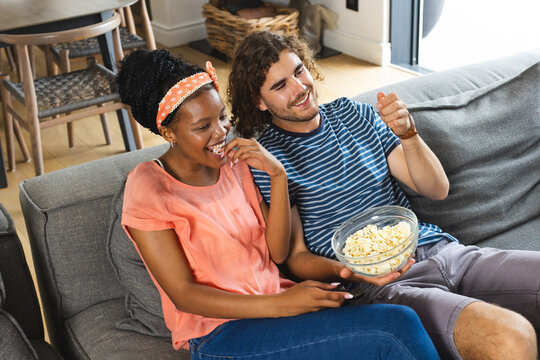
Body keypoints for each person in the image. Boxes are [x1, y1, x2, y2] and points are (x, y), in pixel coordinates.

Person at [228, 31, 539, 360]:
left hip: (443, 252)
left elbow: (436, 188)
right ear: (259, 102)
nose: (299, 87)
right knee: (510, 339)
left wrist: (409, 134)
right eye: (279, 86)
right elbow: (294, 258)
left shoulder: (355, 115)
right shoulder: (268, 159)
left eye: (299, 71)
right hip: (381, 289)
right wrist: (347, 272)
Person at [115, 49, 439, 360]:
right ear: (168, 132)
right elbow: (183, 294)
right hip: (222, 333)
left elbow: (278, 252)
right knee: (396, 326)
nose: (220, 133)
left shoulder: (235, 162)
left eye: (223, 118)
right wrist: (280, 304)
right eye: (203, 127)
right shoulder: (148, 186)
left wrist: (278, 175)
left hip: (281, 310)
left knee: (395, 318)